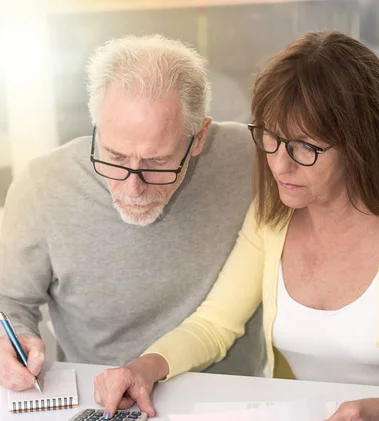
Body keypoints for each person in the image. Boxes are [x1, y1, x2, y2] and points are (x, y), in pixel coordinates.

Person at [96, 30, 379, 421]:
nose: (280, 166)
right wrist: (144, 367)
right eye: (269, 139)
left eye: (304, 148)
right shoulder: (272, 218)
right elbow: (215, 324)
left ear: (361, 143)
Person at [0, 35, 267, 401]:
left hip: (231, 400)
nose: (132, 187)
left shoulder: (254, 160)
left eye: (157, 162)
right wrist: (11, 339)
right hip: (101, 404)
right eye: (115, 157)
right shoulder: (42, 185)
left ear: (199, 137)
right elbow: (9, 301)